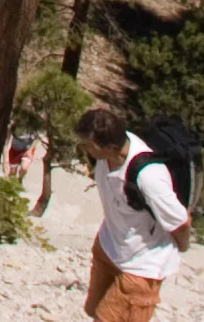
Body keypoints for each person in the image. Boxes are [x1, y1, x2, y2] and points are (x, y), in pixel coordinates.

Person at [78, 105, 191, 322]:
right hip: (110, 245)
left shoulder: (149, 177)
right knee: (94, 310)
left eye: (87, 145)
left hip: (142, 263)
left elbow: (181, 222)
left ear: (107, 146)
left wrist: (181, 247)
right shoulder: (106, 155)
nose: (84, 149)